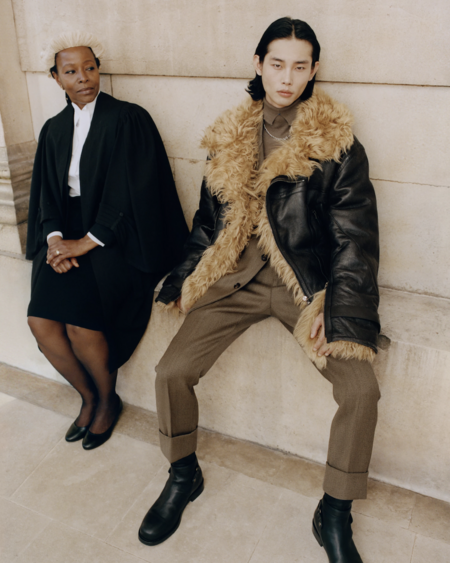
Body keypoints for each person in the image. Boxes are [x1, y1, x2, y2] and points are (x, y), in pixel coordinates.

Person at [139, 18, 380, 563]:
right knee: (170, 372)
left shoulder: (337, 144)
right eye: (277, 64)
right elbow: (208, 223)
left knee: (361, 391)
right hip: (236, 279)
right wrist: (185, 277)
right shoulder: (229, 136)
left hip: (306, 286)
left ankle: (334, 512)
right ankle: (183, 474)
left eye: (299, 66)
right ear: (259, 64)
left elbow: (355, 240)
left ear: (314, 70)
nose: (287, 78)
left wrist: (339, 311)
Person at [26, 31, 188, 451]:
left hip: (118, 237)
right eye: (71, 71)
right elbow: (46, 194)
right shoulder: (54, 129)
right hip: (65, 232)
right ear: (56, 78)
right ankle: (90, 396)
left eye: (90, 68)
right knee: (41, 322)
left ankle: (106, 401)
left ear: (99, 69)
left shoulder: (128, 119)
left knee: (81, 324)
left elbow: (133, 192)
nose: (83, 77)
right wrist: (56, 240)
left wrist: (88, 241)